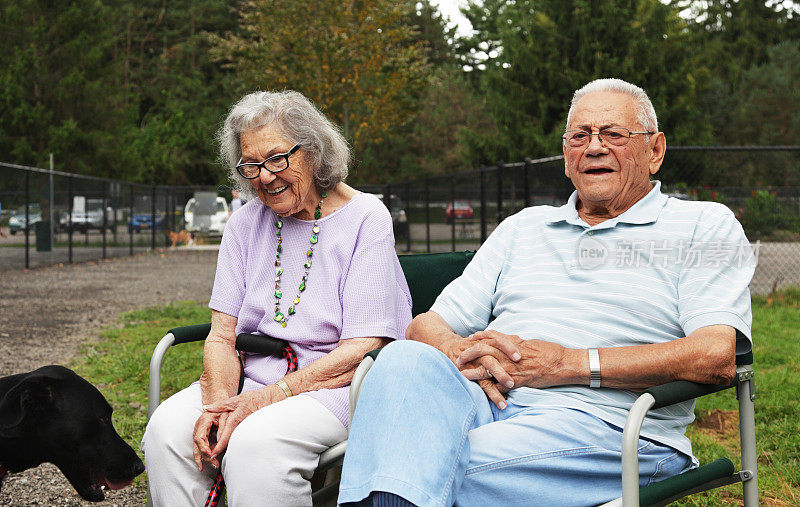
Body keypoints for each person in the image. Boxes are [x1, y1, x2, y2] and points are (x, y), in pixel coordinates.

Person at [338, 78, 756, 506]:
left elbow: (715, 356)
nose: (593, 147)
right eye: (580, 136)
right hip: (489, 399)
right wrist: (461, 352)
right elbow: (427, 324)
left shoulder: (703, 225)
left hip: (608, 426)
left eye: (613, 134)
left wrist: (569, 364)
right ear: (565, 156)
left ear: (655, 151)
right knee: (405, 359)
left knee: (405, 463)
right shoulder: (524, 227)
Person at [142, 90, 412, 506]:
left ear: (314, 151)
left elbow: (363, 348)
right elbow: (221, 335)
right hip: (252, 374)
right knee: (166, 431)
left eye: (276, 158)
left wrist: (264, 400)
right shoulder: (244, 224)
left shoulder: (366, 218)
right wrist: (218, 408)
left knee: (256, 443)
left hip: (335, 385)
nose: (265, 176)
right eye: (251, 164)